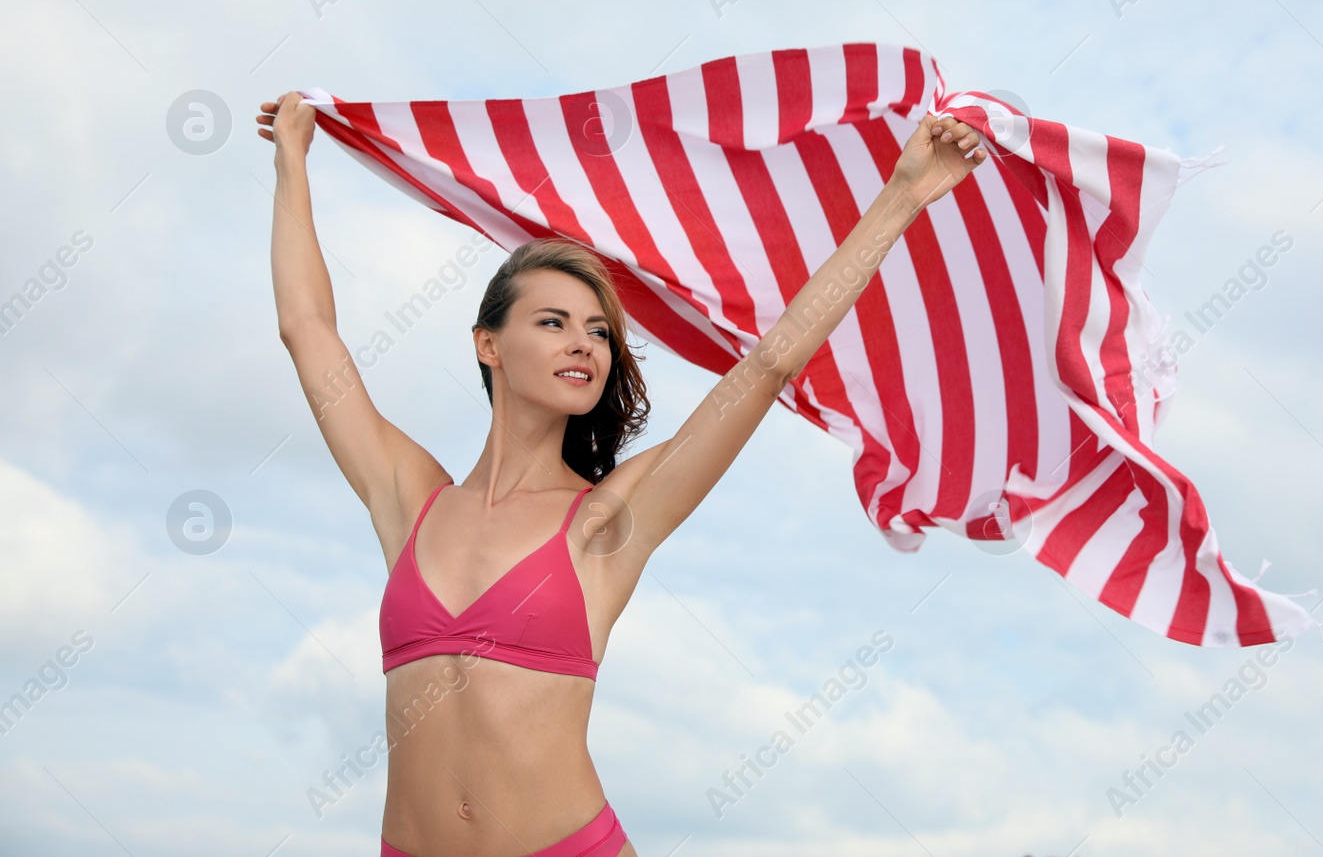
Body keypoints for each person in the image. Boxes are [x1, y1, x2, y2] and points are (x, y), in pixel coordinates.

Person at [258, 89, 988, 857]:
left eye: (599, 332)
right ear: (489, 345)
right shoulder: (409, 500)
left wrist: (903, 196)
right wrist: (293, 162)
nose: (585, 345)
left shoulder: (609, 518)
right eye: (553, 322)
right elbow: (306, 330)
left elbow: (771, 363)